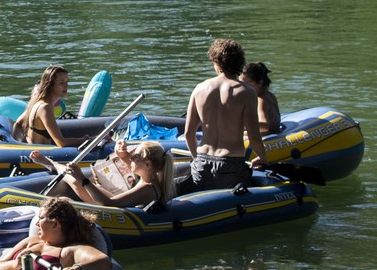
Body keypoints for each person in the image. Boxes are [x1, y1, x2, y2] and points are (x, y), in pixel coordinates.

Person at [183, 39, 266, 193]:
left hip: (202, 163)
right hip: (231, 165)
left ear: (216, 62)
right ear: (239, 63)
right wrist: (263, 157)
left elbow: (189, 134)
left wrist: (197, 160)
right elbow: (254, 137)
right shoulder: (246, 92)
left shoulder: (199, 89)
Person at [31, 140, 176, 208]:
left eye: (135, 156)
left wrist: (83, 179)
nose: (131, 157)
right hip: (111, 203)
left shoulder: (147, 188)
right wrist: (122, 154)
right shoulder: (150, 178)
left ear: (148, 164)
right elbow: (134, 165)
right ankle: (53, 165)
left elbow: (109, 203)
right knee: (72, 180)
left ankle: (52, 164)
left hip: (108, 207)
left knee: (74, 180)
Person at [18, 65, 70, 147]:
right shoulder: (44, 108)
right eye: (61, 83)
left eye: (67, 82)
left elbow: (18, 123)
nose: (66, 86)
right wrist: (86, 140)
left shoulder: (38, 103)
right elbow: (61, 142)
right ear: (50, 85)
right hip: (42, 155)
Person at [241, 61, 282, 135]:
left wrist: (241, 126)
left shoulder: (260, 100)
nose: (243, 87)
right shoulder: (270, 95)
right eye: (241, 83)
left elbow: (265, 125)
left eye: (247, 83)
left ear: (260, 82)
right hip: (276, 132)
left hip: (268, 137)